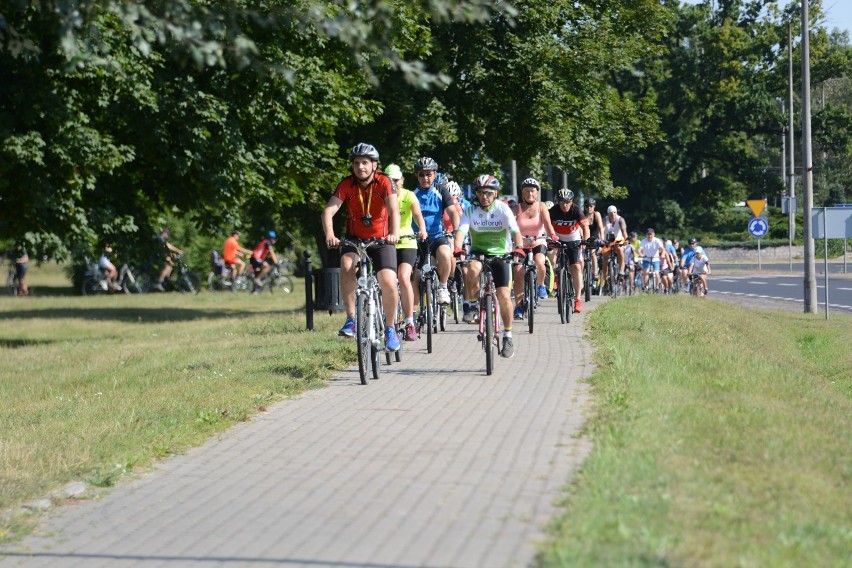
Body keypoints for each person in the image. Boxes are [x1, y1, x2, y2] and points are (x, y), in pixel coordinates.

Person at [321, 142, 401, 352]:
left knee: (388, 281)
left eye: (365, 162)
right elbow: (328, 211)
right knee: (346, 264)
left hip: (382, 240)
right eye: (356, 163)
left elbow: (394, 210)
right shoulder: (346, 184)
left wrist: (394, 233)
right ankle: (351, 319)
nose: (360, 167)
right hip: (355, 239)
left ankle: (391, 328)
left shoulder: (384, 182)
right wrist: (330, 234)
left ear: (374, 165)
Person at [453, 174, 523, 358]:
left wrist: (519, 248)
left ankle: (507, 335)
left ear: (496, 193)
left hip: (501, 254)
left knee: (504, 296)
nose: (484, 196)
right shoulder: (471, 211)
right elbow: (461, 231)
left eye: (488, 193)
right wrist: (458, 248)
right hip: (478, 252)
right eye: (480, 193)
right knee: (472, 269)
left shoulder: (503, 209)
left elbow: (515, 231)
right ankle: (475, 306)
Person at [386, 163, 427, 342]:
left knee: (404, 277)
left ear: (402, 180)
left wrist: (422, 229)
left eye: (395, 180)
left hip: (406, 241)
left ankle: (410, 321)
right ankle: (385, 320)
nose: (393, 183)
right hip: (386, 242)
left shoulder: (409, 195)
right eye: (389, 180)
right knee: (385, 282)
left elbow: (418, 215)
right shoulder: (382, 196)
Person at [412, 157, 460, 306]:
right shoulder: (411, 193)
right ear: (416, 175)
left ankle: (443, 286)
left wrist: (457, 232)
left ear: (435, 174)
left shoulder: (441, 191)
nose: (425, 178)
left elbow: (453, 212)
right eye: (421, 174)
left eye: (429, 174)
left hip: (436, 236)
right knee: (415, 276)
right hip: (416, 239)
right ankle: (412, 314)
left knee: (446, 254)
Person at [512, 177, 557, 319]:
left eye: (532, 191)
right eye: (526, 191)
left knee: (540, 262)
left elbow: (548, 224)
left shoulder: (541, 207)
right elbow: (510, 226)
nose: (530, 194)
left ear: (537, 193)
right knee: (518, 272)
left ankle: (541, 285)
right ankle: (518, 307)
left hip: (538, 241)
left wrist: (554, 236)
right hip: (521, 244)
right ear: (522, 193)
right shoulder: (516, 209)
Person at [548, 188, 590, 313]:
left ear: (572, 201)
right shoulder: (553, 211)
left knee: (576, 267)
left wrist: (586, 241)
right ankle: (555, 276)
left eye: (567, 202)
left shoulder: (576, 210)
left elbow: (585, 227)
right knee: (551, 257)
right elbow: (546, 225)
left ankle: (577, 299)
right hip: (557, 239)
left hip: (574, 240)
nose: (565, 205)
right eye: (562, 202)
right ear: (558, 202)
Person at [600, 205, 627, 289]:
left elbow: (624, 231)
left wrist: (625, 239)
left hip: (618, 240)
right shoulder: (605, 220)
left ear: (616, 212)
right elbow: (601, 230)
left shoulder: (620, 220)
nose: (613, 214)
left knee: (620, 250)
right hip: (607, 241)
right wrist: (600, 239)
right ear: (608, 213)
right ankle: (605, 279)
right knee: (604, 258)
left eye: (614, 212)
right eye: (611, 213)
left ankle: (621, 271)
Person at [583, 197, 604, 286]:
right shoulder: (582, 215)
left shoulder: (597, 215)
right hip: (585, 236)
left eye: (591, 206)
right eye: (587, 206)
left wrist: (602, 240)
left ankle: (595, 273)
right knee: (582, 255)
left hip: (594, 237)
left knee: (593, 252)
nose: (589, 208)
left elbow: (600, 228)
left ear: (594, 206)